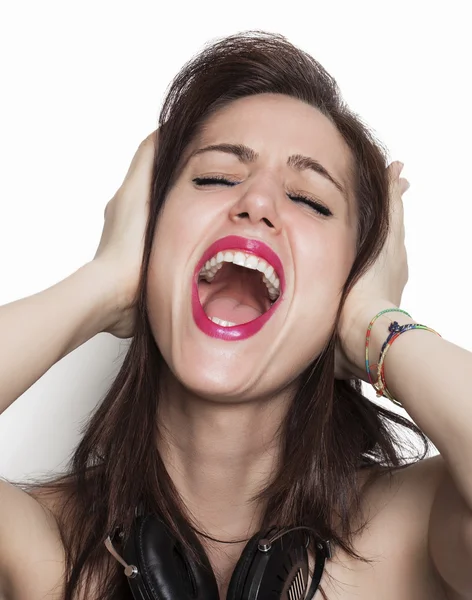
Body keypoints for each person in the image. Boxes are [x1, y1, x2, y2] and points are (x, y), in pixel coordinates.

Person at [0, 30, 470, 600]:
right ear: (149, 239)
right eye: (215, 178)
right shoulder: (39, 546)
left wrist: (378, 325)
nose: (257, 204)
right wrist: (102, 284)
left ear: (348, 282)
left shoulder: (418, 535)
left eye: (311, 200)